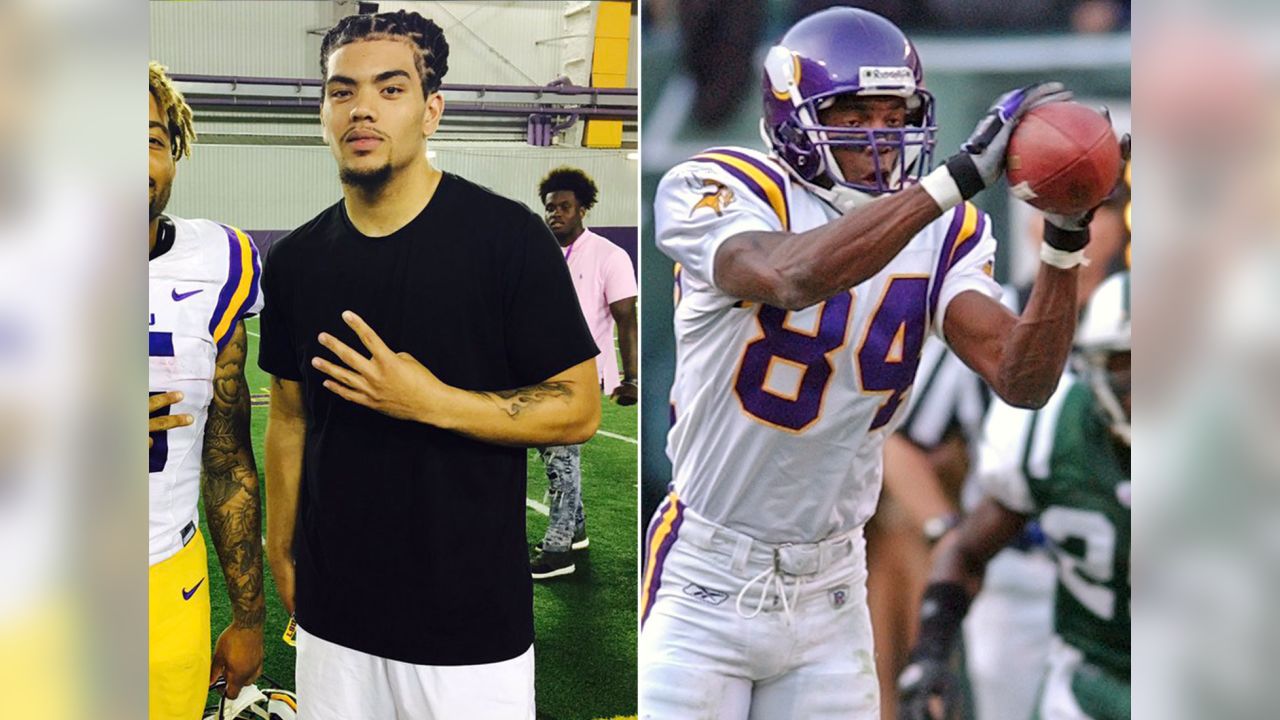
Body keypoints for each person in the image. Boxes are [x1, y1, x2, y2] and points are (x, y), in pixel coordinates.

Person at [640, 7, 1127, 717]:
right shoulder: (721, 184)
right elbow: (790, 276)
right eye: (851, 111)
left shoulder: (949, 230)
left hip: (830, 590)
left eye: (892, 111)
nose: (877, 132)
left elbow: (1023, 379)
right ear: (790, 117)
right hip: (705, 573)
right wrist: (953, 179)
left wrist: (1064, 235)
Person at [257, 11, 600, 719]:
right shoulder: (294, 263)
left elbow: (578, 407)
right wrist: (280, 548)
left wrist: (430, 400)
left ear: (430, 110)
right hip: (335, 613)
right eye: (341, 90)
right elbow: (289, 418)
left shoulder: (508, 240)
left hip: (468, 627)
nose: (361, 108)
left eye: (390, 89)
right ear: (323, 112)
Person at [898, 271, 1132, 720]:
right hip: (1091, 683)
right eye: (1127, 362)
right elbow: (967, 552)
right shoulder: (1049, 433)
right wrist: (930, 652)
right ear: (1092, 365)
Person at [148, 61, 265, 718]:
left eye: (151, 139)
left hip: (168, 572)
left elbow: (227, 460)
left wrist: (249, 616)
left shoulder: (219, 260)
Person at [530, 167, 638, 579]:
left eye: (564, 207)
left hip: (580, 373)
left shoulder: (611, 255)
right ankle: (574, 530)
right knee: (555, 453)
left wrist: (630, 378)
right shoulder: (541, 254)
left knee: (560, 455)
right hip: (539, 369)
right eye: (550, 208)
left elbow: (626, 318)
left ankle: (559, 551)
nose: (556, 214)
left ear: (583, 209)